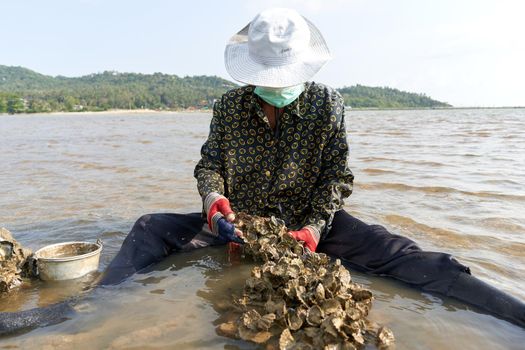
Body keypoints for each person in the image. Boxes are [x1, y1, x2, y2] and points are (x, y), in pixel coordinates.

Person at [100, 8, 525, 328]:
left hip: (314, 224)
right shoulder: (229, 106)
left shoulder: (327, 104)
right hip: (240, 223)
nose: (278, 83)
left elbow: (336, 178)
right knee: (149, 227)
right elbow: (209, 164)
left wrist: (315, 230)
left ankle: (510, 312)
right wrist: (214, 205)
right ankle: (90, 304)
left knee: (405, 256)